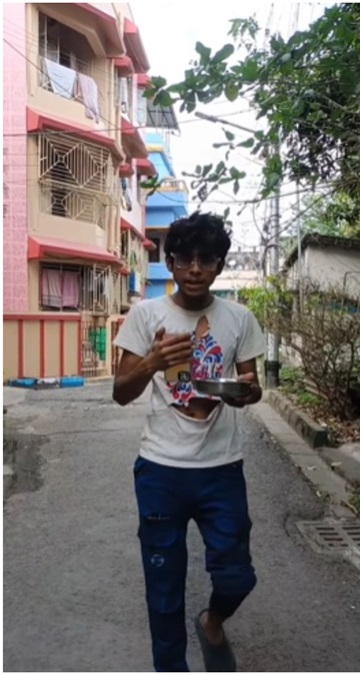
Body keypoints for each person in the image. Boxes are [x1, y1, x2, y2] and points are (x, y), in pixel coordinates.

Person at [113, 212, 266, 672]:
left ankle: (212, 620)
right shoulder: (146, 316)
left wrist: (246, 393)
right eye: (185, 258)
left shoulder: (239, 318)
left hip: (222, 469)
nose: (195, 268)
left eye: (207, 259)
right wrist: (153, 361)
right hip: (160, 471)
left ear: (219, 265)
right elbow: (121, 392)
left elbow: (251, 383)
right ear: (171, 262)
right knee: (163, 591)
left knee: (237, 575)